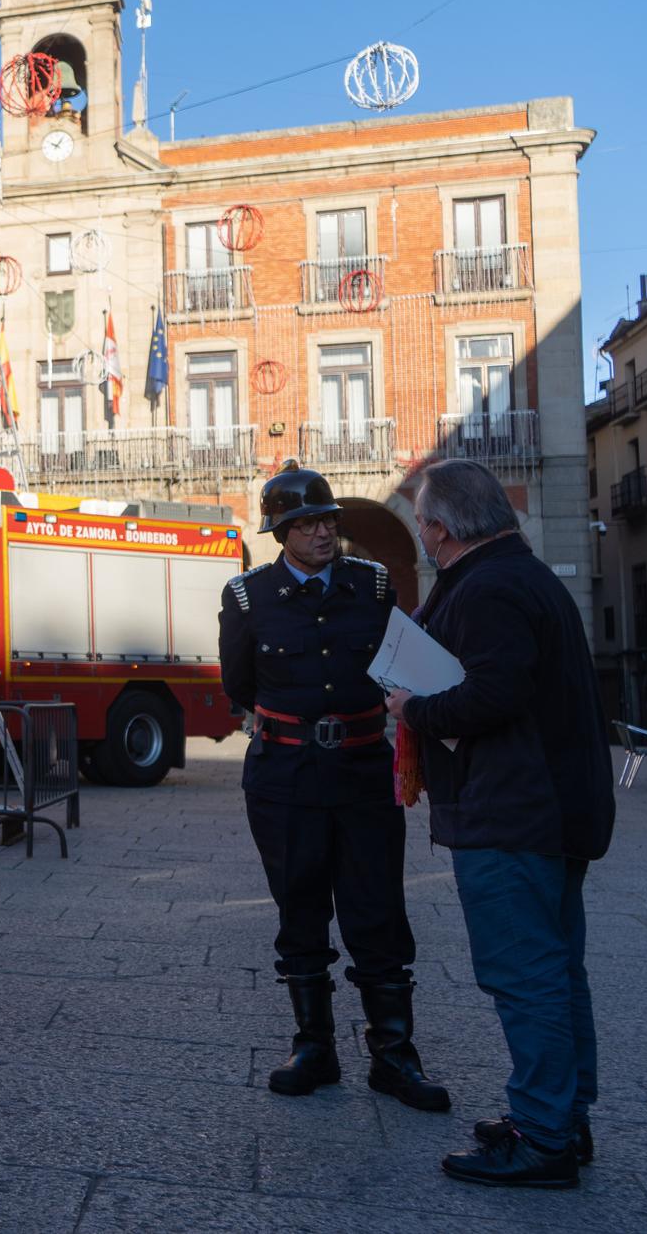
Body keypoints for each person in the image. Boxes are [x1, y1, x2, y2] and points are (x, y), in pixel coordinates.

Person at [385, 458, 614, 1189]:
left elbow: (492, 694)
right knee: (554, 966)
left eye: (422, 520)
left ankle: (544, 1136)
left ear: (441, 527)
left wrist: (411, 708)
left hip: (512, 811)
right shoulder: (519, 575)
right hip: (544, 807)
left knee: (525, 974)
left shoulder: (489, 587)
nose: (420, 532)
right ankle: (562, 1118)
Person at [219, 460, 449, 1111]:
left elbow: (396, 666)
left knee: (377, 909)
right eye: (306, 523)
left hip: (359, 772)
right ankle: (313, 1046)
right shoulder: (247, 597)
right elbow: (238, 684)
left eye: (326, 521)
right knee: (300, 907)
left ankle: (394, 1056)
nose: (322, 532)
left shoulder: (373, 585)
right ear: (280, 531)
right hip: (284, 777)